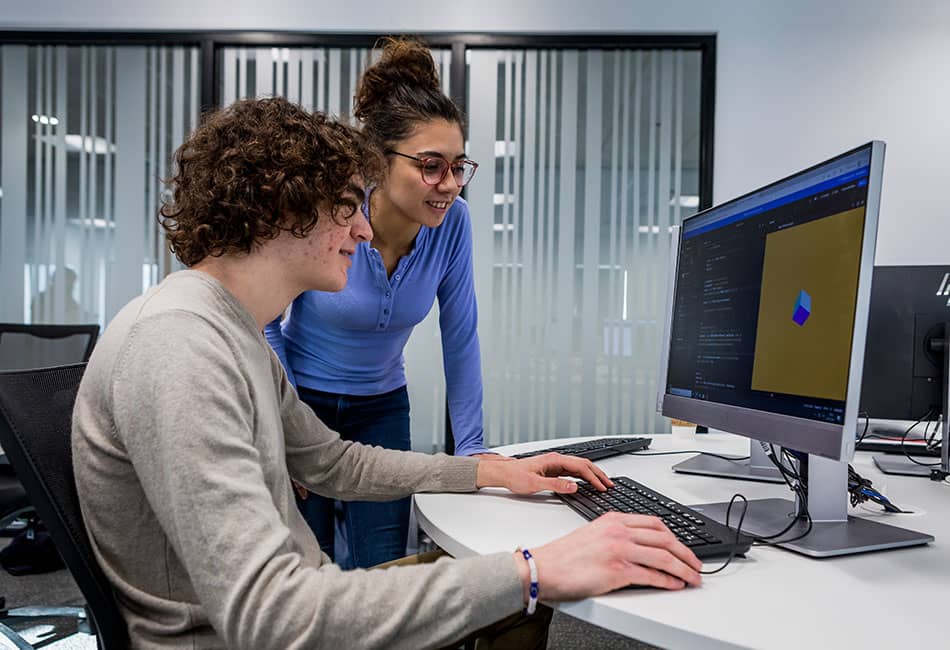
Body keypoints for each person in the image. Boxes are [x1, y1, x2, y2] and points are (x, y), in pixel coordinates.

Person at [71, 96, 703, 650]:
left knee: (514, 598)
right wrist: (532, 570)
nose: (366, 228)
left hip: (286, 609)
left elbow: (335, 462)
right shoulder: (180, 347)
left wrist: (490, 470)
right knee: (522, 589)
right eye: (348, 206)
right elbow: (273, 618)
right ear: (281, 211)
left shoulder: (229, 329)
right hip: (238, 637)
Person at [265, 37, 498, 569]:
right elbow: (269, 322)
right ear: (380, 161)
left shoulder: (453, 223)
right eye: (432, 166)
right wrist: (290, 423)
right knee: (309, 562)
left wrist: (474, 457)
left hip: (383, 406)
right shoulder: (335, 213)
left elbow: (460, 336)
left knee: (383, 566)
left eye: (459, 167)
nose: (450, 185)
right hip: (307, 401)